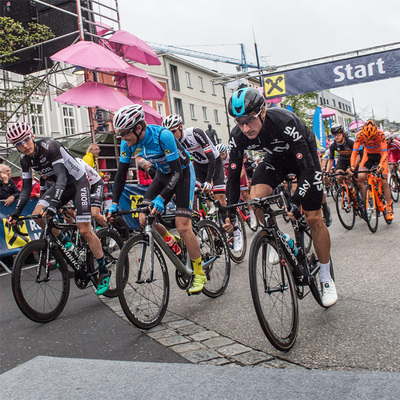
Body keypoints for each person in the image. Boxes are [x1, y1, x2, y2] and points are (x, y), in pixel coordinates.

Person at [223, 87, 337, 308]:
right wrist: (229, 214)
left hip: (305, 160)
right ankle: (280, 240)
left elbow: (307, 168)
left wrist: (296, 200)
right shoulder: (238, 135)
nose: (245, 128)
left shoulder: (285, 121)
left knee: (313, 218)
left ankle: (325, 276)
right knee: (255, 199)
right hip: (276, 159)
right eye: (239, 122)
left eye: (250, 120)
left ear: (263, 111)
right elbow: (234, 178)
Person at [106, 105, 207, 294]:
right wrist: (114, 203)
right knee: (144, 218)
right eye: (120, 135)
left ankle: (200, 272)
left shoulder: (162, 136)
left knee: (183, 225)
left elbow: (177, 172)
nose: (123, 139)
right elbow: (120, 175)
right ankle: (171, 240)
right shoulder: (127, 144)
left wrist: (162, 198)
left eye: (125, 133)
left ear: (138, 128)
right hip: (163, 174)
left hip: (183, 172)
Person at [5, 122, 110, 295]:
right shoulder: (25, 159)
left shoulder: (50, 146)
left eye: (25, 140)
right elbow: (25, 189)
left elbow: (61, 176)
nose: (24, 145)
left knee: (84, 230)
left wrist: (54, 205)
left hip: (77, 182)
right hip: (60, 185)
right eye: (18, 143)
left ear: (32, 136)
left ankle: (104, 270)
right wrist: (16, 212)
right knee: (37, 216)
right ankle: (65, 241)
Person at [162, 114, 227, 216]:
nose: (171, 136)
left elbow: (211, 157)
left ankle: (232, 226)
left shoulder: (195, 133)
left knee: (220, 198)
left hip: (214, 163)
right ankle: (200, 222)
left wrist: (208, 180)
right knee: (193, 192)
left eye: (173, 132)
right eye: (168, 133)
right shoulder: (174, 144)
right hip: (199, 166)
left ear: (180, 127)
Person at [350, 120, 393, 220]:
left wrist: (381, 164)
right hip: (368, 156)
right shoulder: (359, 135)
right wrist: (352, 166)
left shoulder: (380, 134)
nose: (369, 139)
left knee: (384, 180)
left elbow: (385, 153)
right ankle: (367, 199)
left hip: (380, 156)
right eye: (367, 138)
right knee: (360, 177)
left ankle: (389, 207)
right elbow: (354, 152)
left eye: (372, 137)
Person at [217, 142, 257, 230]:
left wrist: (236, 180)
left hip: (239, 171)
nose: (221, 156)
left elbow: (242, 171)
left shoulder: (232, 156)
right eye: (219, 155)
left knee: (245, 194)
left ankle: (253, 215)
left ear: (226, 152)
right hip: (229, 171)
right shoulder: (219, 160)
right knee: (228, 195)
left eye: (222, 154)